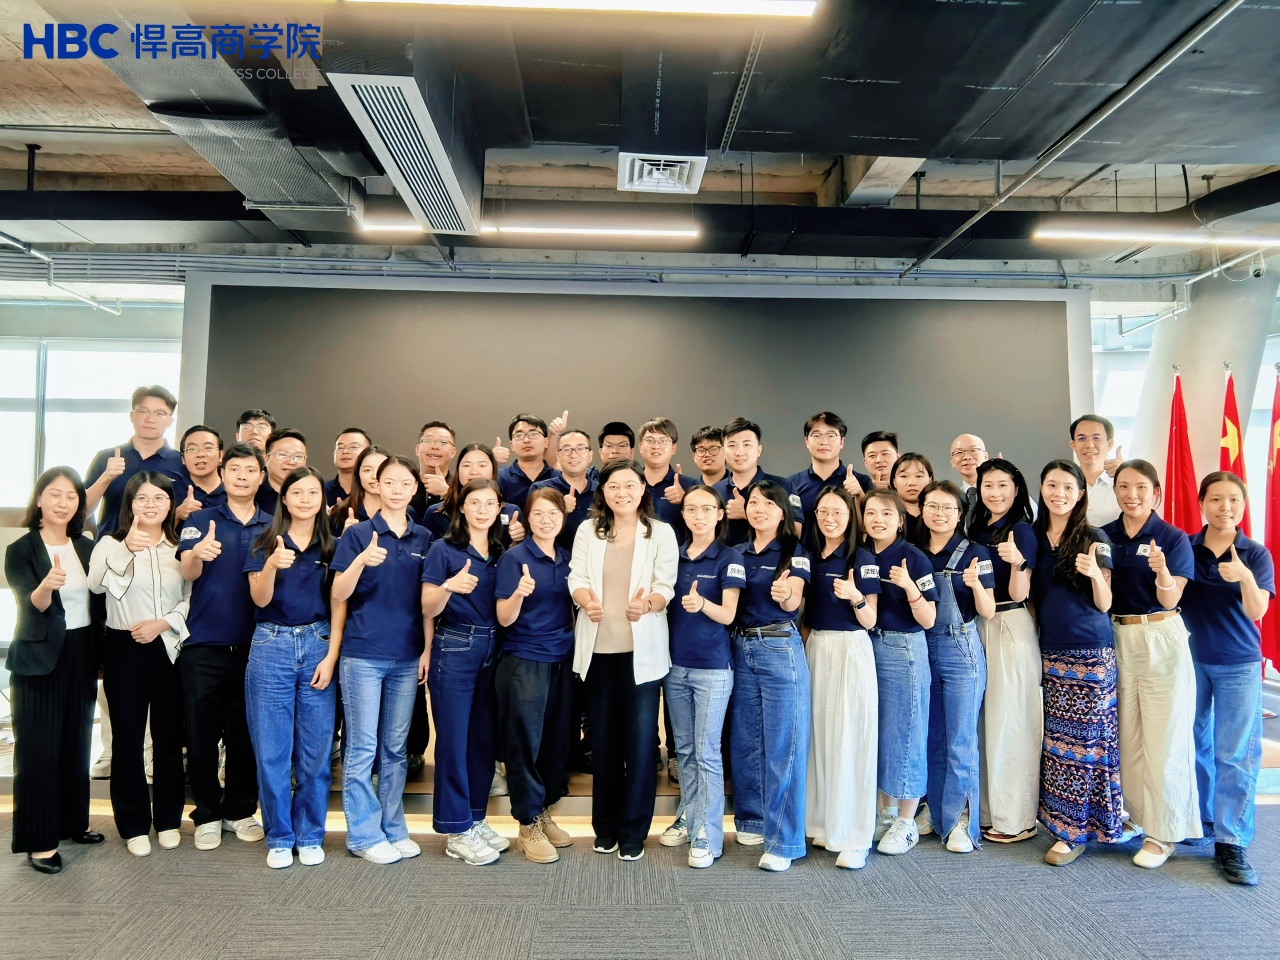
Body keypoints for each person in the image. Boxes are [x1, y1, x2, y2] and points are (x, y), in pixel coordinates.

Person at [569, 459, 678, 861]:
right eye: (614, 486)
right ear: (603, 492)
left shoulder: (660, 532)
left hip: (641, 655)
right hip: (598, 651)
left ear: (642, 490)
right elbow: (576, 577)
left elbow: (666, 584)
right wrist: (586, 601)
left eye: (630, 485)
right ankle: (605, 826)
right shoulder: (588, 530)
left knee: (641, 744)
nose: (622, 493)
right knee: (604, 743)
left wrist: (648, 604)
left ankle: (634, 830)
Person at [332, 455, 433, 865]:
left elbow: (428, 603)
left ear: (414, 489)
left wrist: (426, 650)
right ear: (376, 484)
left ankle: (393, 828)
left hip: (407, 656)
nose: (396, 489)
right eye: (388, 481)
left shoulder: (425, 537)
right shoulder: (358, 534)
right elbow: (338, 593)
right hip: (363, 655)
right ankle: (363, 834)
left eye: (404, 483)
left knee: (394, 748)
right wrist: (360, 561)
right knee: (362, 747)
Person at [6, 467, 106, 874]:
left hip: (81, 652)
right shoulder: (21, 548)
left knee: (76, 743)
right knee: (39, 751)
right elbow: (33, 605)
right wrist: (47, 585)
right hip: (38, 657)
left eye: (71, 496)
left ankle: (72, 823)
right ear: (39, 499)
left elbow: (99, 602)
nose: (63, 503)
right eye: (55, 494)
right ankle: (40, 841)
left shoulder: (87, 546)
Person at [1102, 459, 1201, 867]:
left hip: (1160, 636)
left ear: (1156, 493)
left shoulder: (1172, 538)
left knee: (1165, 739)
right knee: (1127, 738)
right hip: (1117, 636)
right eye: (1123, 486)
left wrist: (1162, 573)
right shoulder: (1104, 535)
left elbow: (1171, 598)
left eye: (1141, 487)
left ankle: (1164, 833)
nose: (1132, 494)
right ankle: (1139, 818)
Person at [89, 472, 190, 857]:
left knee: (168, 739)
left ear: (169, 504)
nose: (151, 505)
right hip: (123, 648)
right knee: (127, 740)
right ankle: (132, 825)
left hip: (168, 646)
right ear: (129, 504)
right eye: (142, 498)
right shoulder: (109, 544)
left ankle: (167, 820)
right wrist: (126, 551)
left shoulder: (179, 547)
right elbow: (96, 585)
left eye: (159, 498)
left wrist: (163, 623)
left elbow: (192, 597)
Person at [244, 467, 340, 869]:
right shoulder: (263, 541)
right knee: (272, 752)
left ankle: (310, 834)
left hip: (318, 644)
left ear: (322, 500)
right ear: (284, 498)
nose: (304, 499)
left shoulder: (332, 546)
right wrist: (271, 566)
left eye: (312, 492)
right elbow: (259, 599)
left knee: (315, 753)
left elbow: (340, 604)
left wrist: (331, 657)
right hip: (271, 645)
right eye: (296, 492)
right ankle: (280, 836)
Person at [177, 443, 270, 853]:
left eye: (250, 470)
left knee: (245, 734)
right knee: (200, 734)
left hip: (257, 645)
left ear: (261, 477)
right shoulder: (201, 519)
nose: (242, 476)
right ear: (223, 472)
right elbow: (187, 571)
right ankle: (207, 813)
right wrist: (197, 554)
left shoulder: (273, 525)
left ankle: (239, 810)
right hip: (204, 644)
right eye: (234, 469)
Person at [1182, 471, 1274, 886]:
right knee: (1193, 744)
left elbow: (1257, 612)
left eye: (1234, 499)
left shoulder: (1255, 553)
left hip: (1237, 663)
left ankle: (1231, 841)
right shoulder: (1185, 547)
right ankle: (1203, 820)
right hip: (1188, 661)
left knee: (1234, 753)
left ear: (1243, 505)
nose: (1225, 507)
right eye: (1216, 499)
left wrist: (1246, 578)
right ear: (1202, 503)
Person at [1031, 459, 1124, 866]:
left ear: (1080, 493)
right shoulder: (1034, 537)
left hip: (1090, 653)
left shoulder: (1094, 537)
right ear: (1042, 488)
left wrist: (1094, 575)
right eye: (1052, 485)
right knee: (1059, 744)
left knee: (1083, 744)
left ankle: (1071, 834)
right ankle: (1086, 824)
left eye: (1068, 487)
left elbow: (1105, 603)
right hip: (1050, 652)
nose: (1060, 493)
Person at [421, 477, 508, 864]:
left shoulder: (503, 552)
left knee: (483, 741)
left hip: (495, 647)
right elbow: (427, 606)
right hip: (455, 645)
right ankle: (456, 829)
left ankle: (475, 818)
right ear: (461, 507)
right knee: (454, 742)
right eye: (475, 502)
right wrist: (450, 586)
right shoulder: (444, 549)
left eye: (490, 503)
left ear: (499, 509)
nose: (483, 510)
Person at [657, 484, 744, 869]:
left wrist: (701, 603)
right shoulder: (671, 556)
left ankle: (707, 834)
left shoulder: (729, 557)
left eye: (707, 509)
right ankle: (689, 816)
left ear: (720, 514)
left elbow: (728, 615)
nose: (699, 516)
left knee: (707, 752)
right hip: (674, 668)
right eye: (691, 509)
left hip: (713, 669)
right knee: (686, 750)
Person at [730, 479, 812, 872]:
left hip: (779, 647)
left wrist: (787, 596)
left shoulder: (795, 552)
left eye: (768, 503)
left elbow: (794, 596)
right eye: (753, 503)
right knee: (746, 740)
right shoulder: (735, 552)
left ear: (783, 512)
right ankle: (752, 819)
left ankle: (785, 841)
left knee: (784, 745)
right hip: (740, 647)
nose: (759, 509)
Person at [494, 487, 577, 863]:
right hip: (524, 661)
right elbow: (503, 618)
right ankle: (527, 823)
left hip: (562, 661)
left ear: (563, 518)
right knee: (524, 745)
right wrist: (519, 594)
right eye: (538, 514)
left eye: (553, 513)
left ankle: (543, 811)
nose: (546, 520)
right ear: (526, 518)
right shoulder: (515, 558)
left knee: (555, 743)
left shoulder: (567, 558)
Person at [856, 487, 937, 857]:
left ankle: (907, 821)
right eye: (871, 513)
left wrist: (909, 588)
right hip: (867, 646)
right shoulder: (860, 554)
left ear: (901, 521)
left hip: (904, 647)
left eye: (887, 514)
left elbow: (929, 619)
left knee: (906, 732)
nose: (878, 520)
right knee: (881, 732)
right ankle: (886, 813)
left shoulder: (913, 558)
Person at [802, 486, 878, 870]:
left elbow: (871, 619)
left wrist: (855, 596)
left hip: (851, 648)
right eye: (823, 512)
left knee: (851, 739)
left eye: (838, 512)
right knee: (819, 737)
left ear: (851, 517)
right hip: (817, 647)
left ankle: (854, 837)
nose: (830, 519)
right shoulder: (809, 555)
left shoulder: (861, 558)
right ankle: (822, 823)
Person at [917, 480, 994, 854]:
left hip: (961, 649)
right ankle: (935, 812)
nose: (939, 513)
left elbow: (988, 610)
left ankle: (962, 820)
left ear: (959, 514)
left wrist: (976, 585)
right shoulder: (914, 553)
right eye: (932, 506)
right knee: (930, 737)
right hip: (921, 648)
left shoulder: (976, 553)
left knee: (960, 740)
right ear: (921, 510)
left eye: (948, 507)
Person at [968, 458, 1041, 844]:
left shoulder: (1021, 530)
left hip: (1009, 623)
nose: (995, 493)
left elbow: (1019, 592)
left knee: (1011, 721)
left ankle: (1016, 819)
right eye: (988, 485)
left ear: (1016, 489)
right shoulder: (979, 528)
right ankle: (988, 812)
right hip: (981, 626)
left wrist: (1018, 564)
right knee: (987, 723)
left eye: (1002, 485)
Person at [84, 385, 187, 537]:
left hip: (163, 548)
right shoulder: (106, 457)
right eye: (143, 411)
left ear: (170, 421)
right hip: (111, 546)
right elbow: (82, 510)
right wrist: (106, 477)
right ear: (132, 416)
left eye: (160, 413)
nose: (150, 419)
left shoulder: (181, 462)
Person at [784, 413, 871, 534]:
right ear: (807, 441)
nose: (824, 441)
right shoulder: (791, 484)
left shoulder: (861, 482)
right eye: (817, 435)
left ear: (842, 442)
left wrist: (859, 494)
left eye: (831, 435)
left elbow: (869, 528)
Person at [424, 444, 524, 546]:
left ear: (493, 470)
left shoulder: (511, 512)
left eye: (482, 465)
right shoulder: (437, 512)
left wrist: (518, 540)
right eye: (466, 465)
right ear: (458, 470)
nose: (474, 471)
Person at [714, 418, 786, 546]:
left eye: (747, 445)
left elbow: (796, 531)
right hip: (725, 558)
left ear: (759, 450)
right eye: (732, 445)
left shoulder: (782, 485)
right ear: (723, 452)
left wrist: (747, 513)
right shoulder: (715, 490)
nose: (739, 452)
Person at [531, 429, 598, 550]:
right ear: (558, 456)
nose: (573, 455)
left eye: (580, 448)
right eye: (566, 449)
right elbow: (531, 531)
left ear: (590, 455)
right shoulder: (540, 489)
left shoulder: (602, 491)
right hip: (552, 559)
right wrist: (559, 509)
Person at [1068, 414, 1123, 528]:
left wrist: (1128, 473)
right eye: (1082, 438)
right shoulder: (1064, 483)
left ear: (1109, 443)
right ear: (1073, 445)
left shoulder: (1123, 481)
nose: (1089, 445)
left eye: (1096, 438)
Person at [498, 414, 556, 510]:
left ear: (546, 442)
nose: (526, 440)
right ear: (511, 445)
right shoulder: (500, 478)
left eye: (533, 434)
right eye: (519, 435)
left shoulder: (559, 478)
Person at [329, 445, 390, 535]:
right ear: (358, 474)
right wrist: (345, 538)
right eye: (367, 470)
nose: (374, 476)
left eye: (380, 469)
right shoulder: (340, 512)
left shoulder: (405, 511)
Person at [637, 417, 684, 528]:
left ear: (674, 448)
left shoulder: (690, 486)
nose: (656, 446)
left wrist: (686, 500)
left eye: (663, 441)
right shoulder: (630, 484)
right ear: (640, 446)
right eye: (649, 440)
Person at [409, 421, 457, 520]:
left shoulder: (461, 487)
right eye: (428, 441)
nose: (435, 447)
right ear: (417, 449)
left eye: (443, 442)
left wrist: (447, 493)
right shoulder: (404, 485)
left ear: (453, 452)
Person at [177, 425, 227, 518]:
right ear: (183, 458)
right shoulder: (169, 492)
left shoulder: (235, 492)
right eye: (192, 449)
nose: (200, 454)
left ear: (221, 456)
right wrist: (177, 516)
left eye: (208, 448)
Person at [257, 428, 308, 517]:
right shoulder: (253, 493)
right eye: (283, 455)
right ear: (266, 459)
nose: (291, 462)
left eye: (298, 457)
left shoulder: (313, 495)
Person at [889, 453, 933, 545]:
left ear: (930, 480)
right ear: (894, 482)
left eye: (919, 476)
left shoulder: (940, 513)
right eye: (904, 476)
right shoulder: (887, 514)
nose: (912, 483)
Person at [325, 428, 372, 506]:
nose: (345, 451)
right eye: (340, 447)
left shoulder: (375, 491)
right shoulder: (320, 490)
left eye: (354, 447)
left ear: (368, 453)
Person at [948, 434, 988, 518]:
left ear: (985, 457)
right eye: (959, 452)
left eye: (973, 450)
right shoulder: (951, 500)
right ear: (952, 462)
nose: (966, 457)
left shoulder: (999, 495)